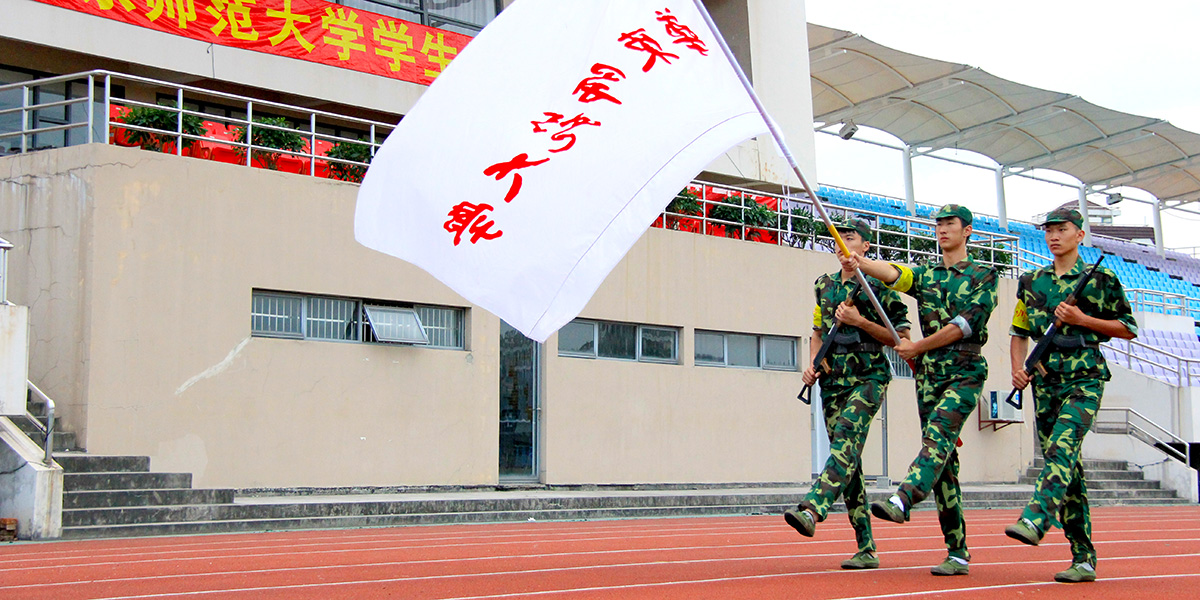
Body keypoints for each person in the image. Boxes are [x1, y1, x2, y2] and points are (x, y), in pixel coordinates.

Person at [841, 204, 998, 576]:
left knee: (938, 438)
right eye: (939, 224)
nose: (943, 230)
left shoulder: (982, 274)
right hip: (930, 375)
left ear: (968, 231)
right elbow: (896, 273)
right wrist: (860, 261)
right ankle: (957, 552)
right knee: (943, 465)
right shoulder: (926, 274)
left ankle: (903, 497)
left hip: (964, 368)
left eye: (950, 224)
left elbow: (964, 325)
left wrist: (917, 347)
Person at [1003, 207, 1137, 583]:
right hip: (1046, 383)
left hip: (1085, 378)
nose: (1053, 236)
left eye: (1062, 229)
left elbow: (1127, 328)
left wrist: (1083, 320)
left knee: (1063, 447)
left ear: (1080, 235)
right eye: (1049, 230)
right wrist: (1018, 368)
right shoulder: (1032, 281)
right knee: (1068, 470)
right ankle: (1083, 557)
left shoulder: (1101, 279)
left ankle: (1036, 517)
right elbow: (1019, 330)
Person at [783, 218, 910, 570]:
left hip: (868, 376)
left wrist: (859, 321)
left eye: (849, 238)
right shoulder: (823, 286)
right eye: (837, 239)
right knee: (848, 463)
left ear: (865, 246)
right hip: (833, 381)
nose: (842, 244)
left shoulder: (878, 286)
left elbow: (899, 337)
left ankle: (812, 508)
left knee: (845, 444)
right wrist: (812, 364)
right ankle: (866, 547)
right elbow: (817, 331)